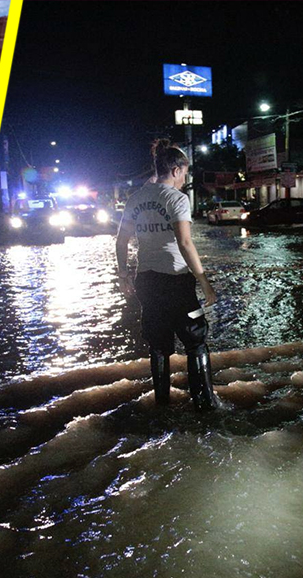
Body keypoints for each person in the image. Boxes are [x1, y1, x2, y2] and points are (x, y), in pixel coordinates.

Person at [115, 140, 219, 411]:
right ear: (175, 170)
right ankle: (205, 404)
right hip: (177, 282)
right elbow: (185, 244)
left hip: (146, 282)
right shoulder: (176, 198)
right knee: (196, 339)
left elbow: (121, 240)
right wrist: (205, 282)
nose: (185, 179)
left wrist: (123, 274)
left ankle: (162, 405)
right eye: (184, 172)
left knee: (158, 345)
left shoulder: (136, 198)